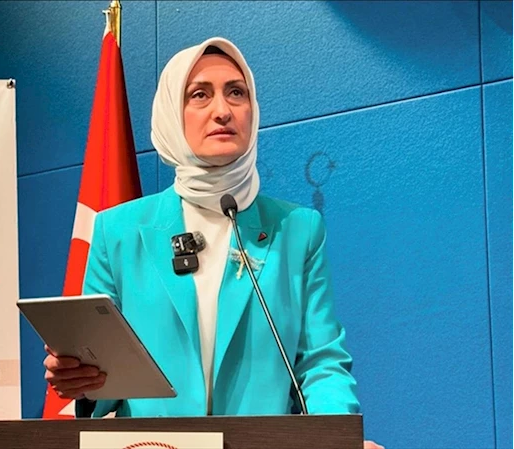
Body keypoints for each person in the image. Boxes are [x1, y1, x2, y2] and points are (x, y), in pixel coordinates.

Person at [43, 37, 383, 449]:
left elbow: (321, 361)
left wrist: (337, 440)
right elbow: (100, 373)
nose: (222, 110)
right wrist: (79, 377)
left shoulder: (298, 229)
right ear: (172, 114)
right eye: (200, 95)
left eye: (236, 92)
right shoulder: (118, 230)